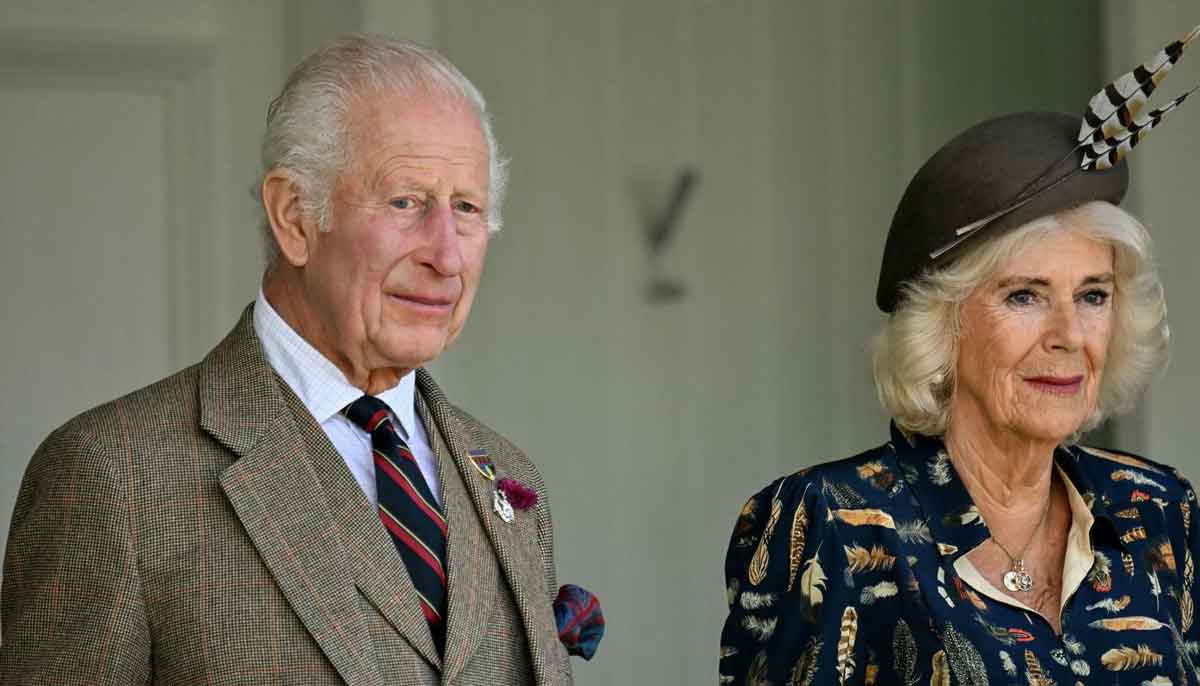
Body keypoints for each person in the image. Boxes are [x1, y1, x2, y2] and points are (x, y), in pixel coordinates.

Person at [1, 36, 599, 684]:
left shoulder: (509, 475)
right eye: (406, 201)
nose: (447, 255)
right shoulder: (113, 476)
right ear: (293, 217)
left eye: (467, 208)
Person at [720, 25, 1200, 686]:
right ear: (943, 324)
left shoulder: (1157, 508)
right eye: (1026, 296)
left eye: (1092, 295)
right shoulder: (828, 522)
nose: (1068, 334)